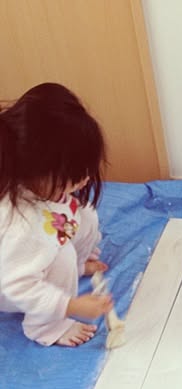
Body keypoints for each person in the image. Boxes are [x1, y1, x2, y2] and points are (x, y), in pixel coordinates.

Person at [0, 83, 113, 346]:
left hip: (24, 256)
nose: (85, 181)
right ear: (38, 170)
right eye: (74, 176)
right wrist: (70, 305)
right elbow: (17, 286)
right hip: (10, 284)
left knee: (85, 214)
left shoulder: (31, 176)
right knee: (62, 255)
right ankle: (45, 327)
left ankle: (75, 268)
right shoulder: (21, 228)